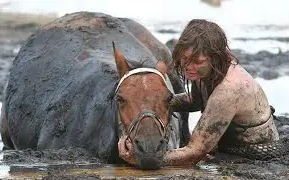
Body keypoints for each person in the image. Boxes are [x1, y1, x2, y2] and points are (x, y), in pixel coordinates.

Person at [118, 19, 280, 166]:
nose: (189, 67)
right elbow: (195, 101)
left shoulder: (228, 90)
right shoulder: (205, 71)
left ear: (215, 59)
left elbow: (195, 151)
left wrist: (144, 157)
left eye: (198, 61)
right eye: (184, 58)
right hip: (226, 145)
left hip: (255, 153)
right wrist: (157, 102)